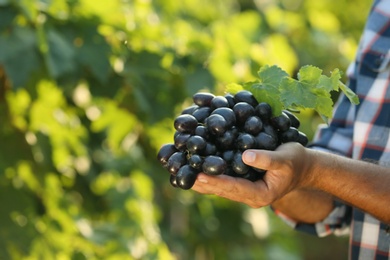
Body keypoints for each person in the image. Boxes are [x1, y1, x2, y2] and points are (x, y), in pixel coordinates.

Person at [192, 0, 390, 258]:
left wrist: (311, 169)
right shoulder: (383, 11)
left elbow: (320, 171)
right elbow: (336, 201)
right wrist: (276, 173)